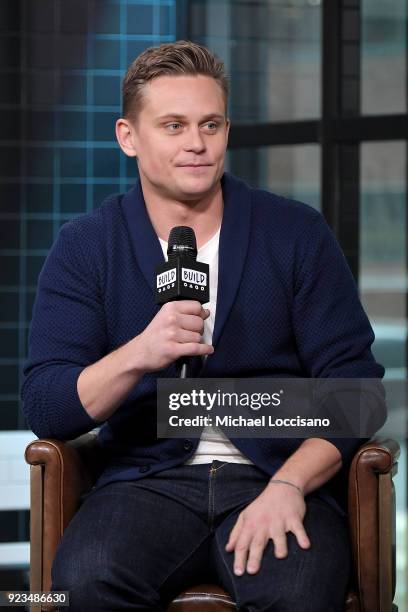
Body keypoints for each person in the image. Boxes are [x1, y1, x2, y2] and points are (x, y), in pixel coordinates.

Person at [21, 40, 385, 611]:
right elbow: (47, 406)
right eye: (173, 126)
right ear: (128, 137)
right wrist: (140, 352)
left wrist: (288, 486)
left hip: (276, 475)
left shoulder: (295, 234)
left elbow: (358, 393)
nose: (196, 144)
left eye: (209, 124)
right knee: (82, 585)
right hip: (145, 482)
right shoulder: (87, 247)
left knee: (297, 594)